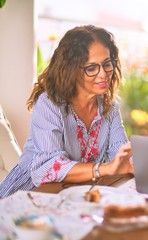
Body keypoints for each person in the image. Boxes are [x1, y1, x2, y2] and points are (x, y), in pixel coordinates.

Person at [0, 25, 133, 198]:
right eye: (91, 68)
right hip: (29, 191)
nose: (103, 74)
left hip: (75, 192)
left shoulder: (109, 106)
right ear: (72, 69)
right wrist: (105, 168)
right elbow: (50, 166)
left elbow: (119, 153)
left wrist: (133, 163)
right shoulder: (49, 103)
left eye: (107, 64)